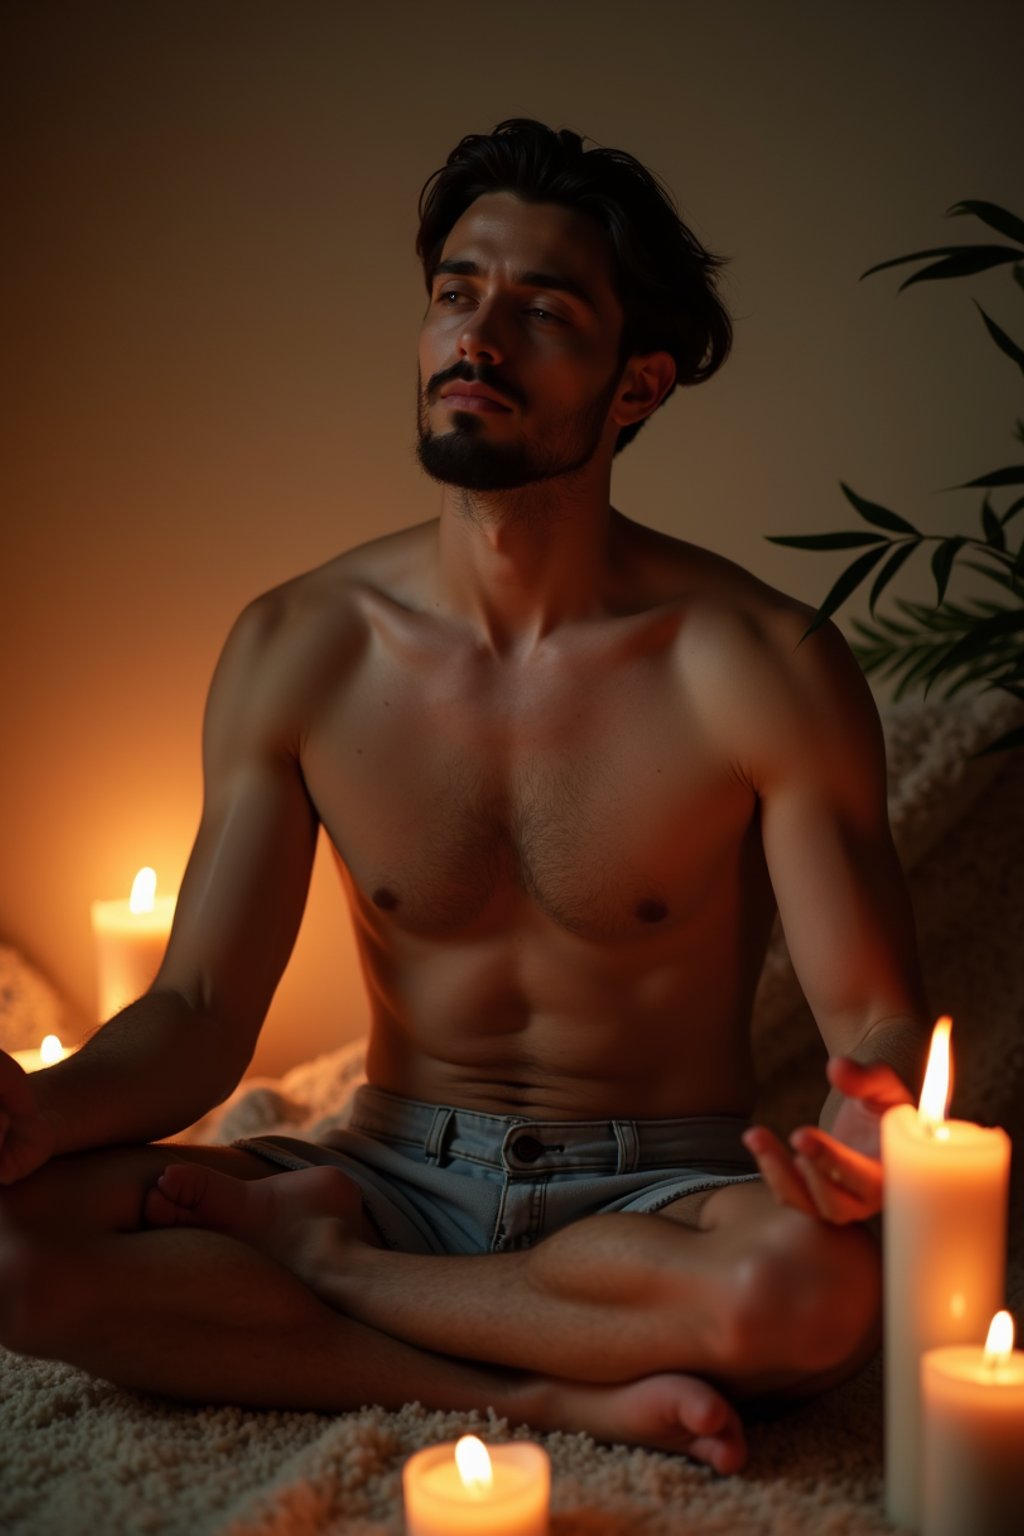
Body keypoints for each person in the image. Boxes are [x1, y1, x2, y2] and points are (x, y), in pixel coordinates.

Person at [0, 119, 929, 1475]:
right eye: (456, 291)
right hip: (387, 1168)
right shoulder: (300, 643)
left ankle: (338, 1281)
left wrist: (874, 1121)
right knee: (16, 1253)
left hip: (658, 1192)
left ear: (635, 385)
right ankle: (563, 1393)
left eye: (543, 310)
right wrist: (40, 1113)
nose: (477, 338)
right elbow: (197, 1017)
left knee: (809, 1295)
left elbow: (875, 1013)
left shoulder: (760, 663)